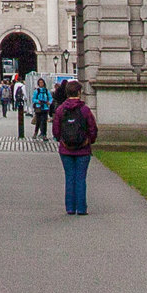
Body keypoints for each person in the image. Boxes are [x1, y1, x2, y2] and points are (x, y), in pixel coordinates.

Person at [53, 77, 99, 215]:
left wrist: (62, 140)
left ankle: (70, 208)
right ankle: (81, 208)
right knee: (80, 178)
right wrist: (89, 140)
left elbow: (56, 131)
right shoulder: (85, 110)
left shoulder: (60, 110)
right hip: (83, 149)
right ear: (79, 92)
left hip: (66, 149)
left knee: (69, 177)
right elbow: (93, 129)